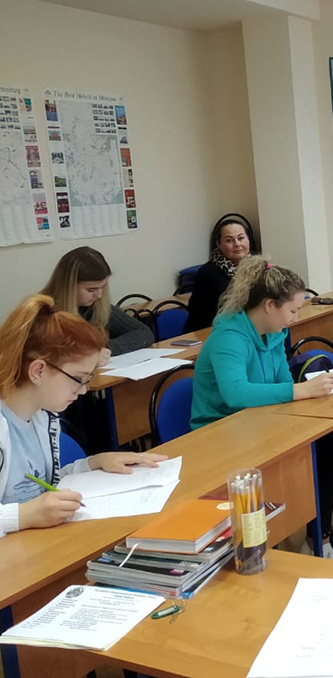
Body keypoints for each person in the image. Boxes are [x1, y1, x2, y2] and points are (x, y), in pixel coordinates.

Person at [189, 256, 333, 560]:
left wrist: (298, 394)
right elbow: (236, 394)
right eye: (292, 310)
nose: (295, 317)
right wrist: (300, 391)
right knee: (322, 444)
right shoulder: (229, 337)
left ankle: (320, 539)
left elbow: (281, 380)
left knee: (323, 437)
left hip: (258, 419)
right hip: (220, 433)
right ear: (269, 305)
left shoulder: (274, 333)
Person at [0, 295, 166, 537]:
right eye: (78, 378)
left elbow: (40, 485)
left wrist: (93, 463)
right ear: (38, 371)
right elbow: (26, 506)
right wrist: (21, 516)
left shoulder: (41, 416)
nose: (84, 390)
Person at [41, 246, 154, 359]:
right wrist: (87, 356)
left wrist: (106, 349)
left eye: (103, 287)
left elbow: (143, 332)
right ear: (69, 286)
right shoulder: (44, 312)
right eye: (91, 290)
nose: (99, 295)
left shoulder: (94, 306)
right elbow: (46, 356)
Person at [182, 216, 254, 333]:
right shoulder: (209, 272)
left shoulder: (257, 267)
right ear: (218, 244)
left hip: (243, 329)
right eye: (229, 240)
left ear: (248, 240)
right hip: (211, 332)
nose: (237, 244)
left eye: (241, 238)